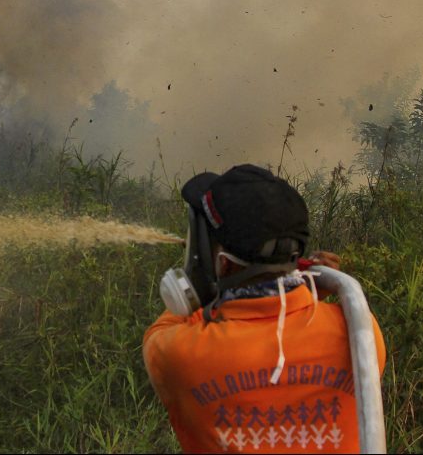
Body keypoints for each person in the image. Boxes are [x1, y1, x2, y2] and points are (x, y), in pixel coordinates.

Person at [143, 164, 385, 453]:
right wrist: (308, 293)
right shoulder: (359, 331)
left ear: (224, 264)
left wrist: (195, 285)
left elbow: (169, 324)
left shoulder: (181, 353)